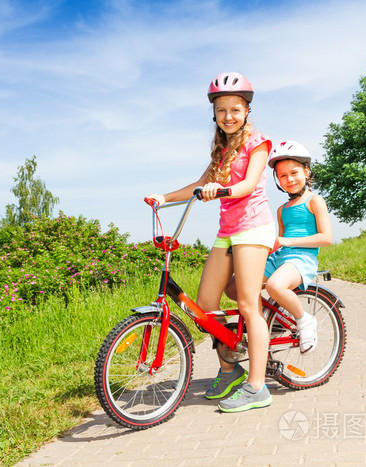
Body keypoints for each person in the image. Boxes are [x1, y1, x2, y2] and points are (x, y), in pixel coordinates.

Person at [147, 72, 276, 413]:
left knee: (249, 305)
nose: (228, 116)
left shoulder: (258, 142)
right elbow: (198, 184)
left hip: (253, 228)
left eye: (235, 109)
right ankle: (231, 367)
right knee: (203, 306)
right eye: (221, 111)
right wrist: (163, 198)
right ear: (214, 115)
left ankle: (258, 387)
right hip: (227, 231)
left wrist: (222, 190)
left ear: (246, 110)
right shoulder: (221, 150)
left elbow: (248, 184)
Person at [226, 140, 332, 353]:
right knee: (234, 286)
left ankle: (304, 320)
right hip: (280, 258)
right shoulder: (281, 209)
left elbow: (326, 237)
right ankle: (272, 317)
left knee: (275, 286)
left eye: (294, 173)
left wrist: (287, 241)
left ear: (306, 171)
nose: (289, 179)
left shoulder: (315, 201)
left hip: (302, 259)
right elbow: (278, 242)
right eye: (283, 176)